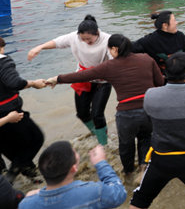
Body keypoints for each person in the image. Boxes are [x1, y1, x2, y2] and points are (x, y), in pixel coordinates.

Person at [50, 34, 164, 175]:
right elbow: (160, 83)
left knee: (126, 145)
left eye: (109, 49)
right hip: (148, 110)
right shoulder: (147, 59)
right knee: (145, 138)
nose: (109, 53)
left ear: (115, 49)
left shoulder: (109, 66)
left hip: (126, 114)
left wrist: (57, 79)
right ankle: (143, 169)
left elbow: (83, 75)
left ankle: (128, 174)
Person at [130, 53, 185, 209]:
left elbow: (150, 120)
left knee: (140, 199)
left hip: (161, 158)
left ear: (165, 72)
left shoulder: (151, 95)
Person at [27, 15, 112, 145]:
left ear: (97, 33)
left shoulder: (107, 40)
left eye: (88, 39)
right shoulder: (74, 37)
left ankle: (104, 144)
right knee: (82, 113)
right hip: (82, 78)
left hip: (103, 82)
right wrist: (39, 47)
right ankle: (97, 133)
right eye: (82, 39)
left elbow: (116, 62)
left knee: (97, 114)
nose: (85, 42)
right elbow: (57, 42)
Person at [19, 142, 126, 209]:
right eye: (76, 153)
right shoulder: (94, 191)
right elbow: (119, 193)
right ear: (74, 168)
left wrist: (37, 193)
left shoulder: (26, 204)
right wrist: (101, 163)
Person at [0, 37, 46, 180]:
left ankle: (28, 176)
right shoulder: (3, 61)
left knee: (12, 150)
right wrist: (33, 83)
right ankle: (12, 174)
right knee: (36, 138)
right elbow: (14, 82)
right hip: (9, 112)